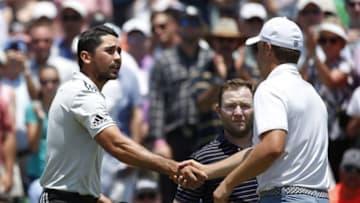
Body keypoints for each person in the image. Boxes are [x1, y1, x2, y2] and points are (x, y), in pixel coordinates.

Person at [38, 24, 206, 203]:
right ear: (86, 57)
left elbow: (73, 169)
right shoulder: (81, 94)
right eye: (109, 51)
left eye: (119, 51)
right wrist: (174, 167)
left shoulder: (84, 92)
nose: (118, 57)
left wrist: (98, 198)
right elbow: (118, 145)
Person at [178, 17, 331, 203]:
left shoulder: (270, 88)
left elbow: (272, 147)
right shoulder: (312, 93)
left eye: (257, 49)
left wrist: (228, 184)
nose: (256, 57)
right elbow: (261, 149)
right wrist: (207, 170)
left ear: (267, 49)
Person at [174, 79, 258, 203]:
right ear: (219, 111)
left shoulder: (269, 151)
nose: (238, 112)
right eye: (231, 106)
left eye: (245, 106)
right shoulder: (203, 159)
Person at [25, 65, 60, 203]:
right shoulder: (32, 108)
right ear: (39, 83)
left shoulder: (66, 107)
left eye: (54, 81)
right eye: (44, 82)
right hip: (38, 176)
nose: (49, 86)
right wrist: (40, 121)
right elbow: (33, 146)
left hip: (61, 176)